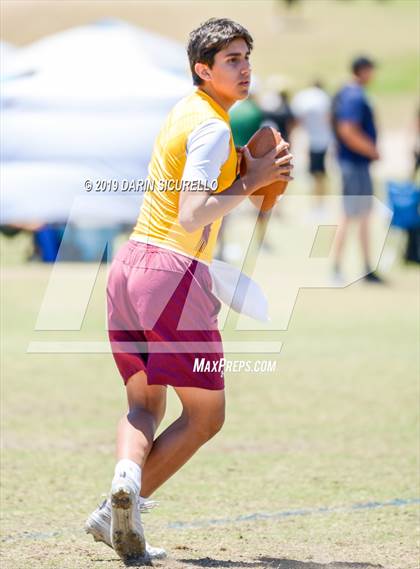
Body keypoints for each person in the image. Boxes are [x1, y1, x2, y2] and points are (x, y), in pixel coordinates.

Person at [85, 18, 293, 562]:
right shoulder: (214, 127)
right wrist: (251, 179)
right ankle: (116, 511)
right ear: (203, 68)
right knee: (205, 416)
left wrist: (243, 171)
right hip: (173, 275)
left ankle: (126, 481)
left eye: (247, 56)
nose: (245, 68)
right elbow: (194, 211)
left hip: (129, 266)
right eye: (231, 60)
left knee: (144, 402)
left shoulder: (188, 111)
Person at [332, 56, 384, 283]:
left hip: (355, 163)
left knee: (362, 215)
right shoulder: (354, 95)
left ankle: (366, 266)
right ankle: (336, 267)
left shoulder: (346, 92)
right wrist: (372, 150)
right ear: (363, 71)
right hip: (354, 163)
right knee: (349, 214)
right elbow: (347, 130)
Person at [292, 80, 332, 215]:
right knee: (318, 174)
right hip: (322, 139)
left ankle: (318, 205)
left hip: (312, 140)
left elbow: (298, 119)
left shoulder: (306, 97)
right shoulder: (323, 98)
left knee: (317, 175)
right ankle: (319, 204)